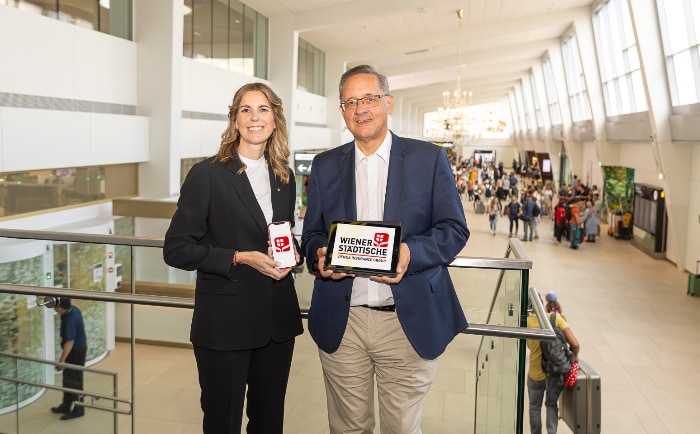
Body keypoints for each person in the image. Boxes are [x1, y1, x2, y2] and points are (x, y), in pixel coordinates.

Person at [301, 64, 470, 434]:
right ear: (342, 111)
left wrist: (411, 252)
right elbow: (311, 233)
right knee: (348, 428)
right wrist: (318, 257)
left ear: (388, 103)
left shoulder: (428, 159)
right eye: (350, 101)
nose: (361, 108)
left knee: (401, 429)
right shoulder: (325, 165)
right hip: (344, 322)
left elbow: (455, 229)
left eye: (370, 98)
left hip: (405, 321)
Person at [163, 82, 303, 434]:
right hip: (225, 324)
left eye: (263, 109)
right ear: (234, 120)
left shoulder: (283, 176)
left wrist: (292, 253)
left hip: (276, 321)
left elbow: (279, 234)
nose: (255, 117)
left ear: (275, 119)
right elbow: (176, 248)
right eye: (246, 109)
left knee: (269, 422)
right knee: (223, 423)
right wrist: (239, 257)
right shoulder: (208, 174)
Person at [527, 294, 579, 434]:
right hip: (554, 373)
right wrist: (575, 356)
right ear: (541, 303)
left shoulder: (526, 323)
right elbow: (575, 343)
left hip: (535, 373)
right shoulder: (555, 318)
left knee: (534, 407)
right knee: (551, 405)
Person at [51, 298, 87, 420]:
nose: (53, 308)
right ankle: (66, 405)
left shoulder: (70, 319)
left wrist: (62, 361)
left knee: (75, 381)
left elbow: (69, 342)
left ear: (59, 306)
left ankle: (79, 409)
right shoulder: (72, 310)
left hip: (75, 352)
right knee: (67, 380)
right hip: (75, 349)